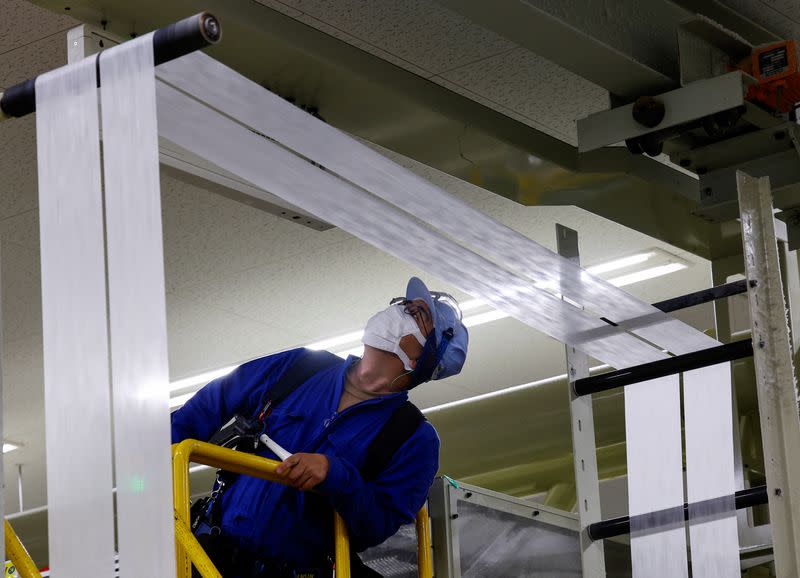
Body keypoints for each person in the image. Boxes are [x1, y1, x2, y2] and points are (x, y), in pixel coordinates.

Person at [171, 277, 469, 577]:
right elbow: (205, 407)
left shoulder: (413, 438)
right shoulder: (302, 366)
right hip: (204, 554)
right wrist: (146, 470)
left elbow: (376, 526)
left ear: (424, 355)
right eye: (403, 305)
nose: (399, 311)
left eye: (416, 314)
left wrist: (335, 474)